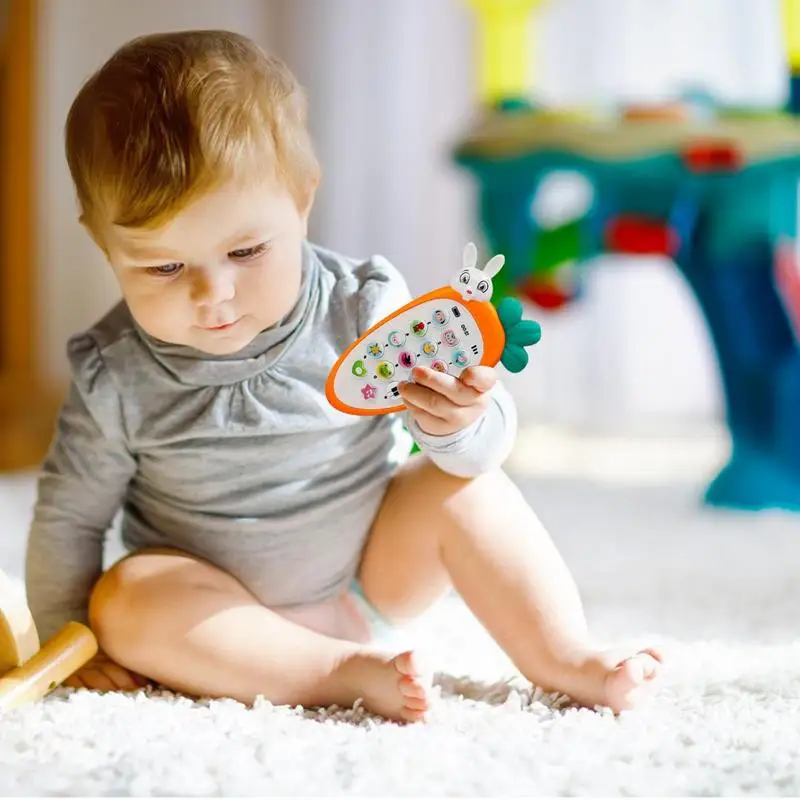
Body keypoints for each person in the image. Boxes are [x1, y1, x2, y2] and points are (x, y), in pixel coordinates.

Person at [25, 30, 662, 722]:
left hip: (372, 579)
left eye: (244, 250)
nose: (214, 295)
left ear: (302, 200)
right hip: (220, 624)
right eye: (165, 267)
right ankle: (339, 673)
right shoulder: (115, 375)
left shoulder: (363, 307)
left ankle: (567, 656)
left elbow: (482, 454)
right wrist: (72, 641)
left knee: (463, 486)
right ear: (104, 242)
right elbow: (69, 520)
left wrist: (463, 425)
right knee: (123, 598)